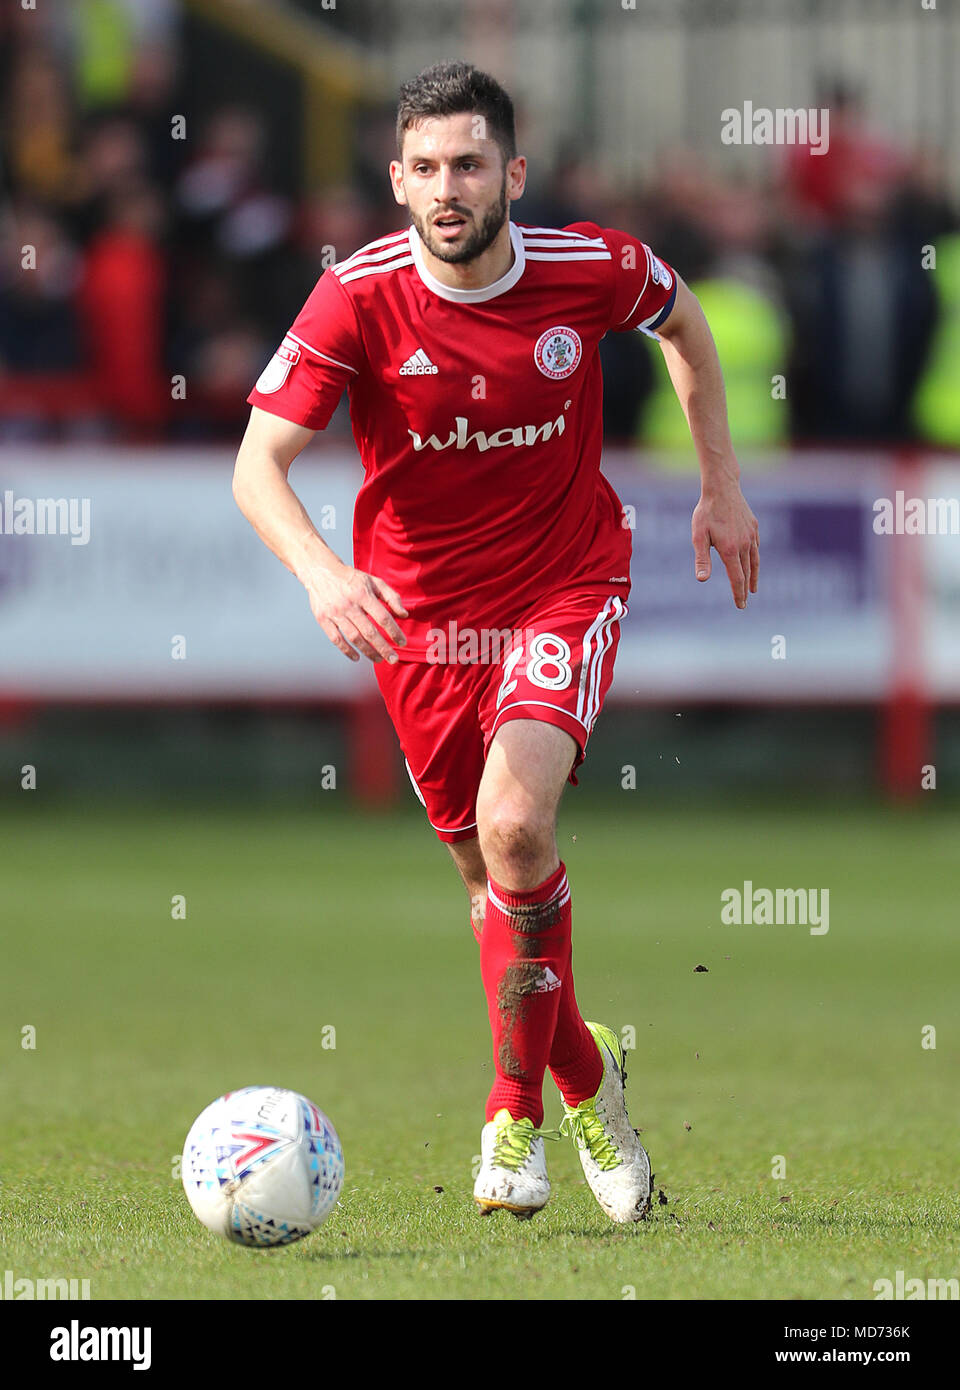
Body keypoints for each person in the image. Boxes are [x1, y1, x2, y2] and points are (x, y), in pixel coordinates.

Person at [233, 62, 759, 1223]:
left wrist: (721, 486)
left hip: (566, 582)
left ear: (513, 173)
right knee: (492, 886)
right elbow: (255, 464)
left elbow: (688, 324)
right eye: (423, 168)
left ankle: (508, 1110)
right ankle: (590, 1078)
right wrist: (326, 573)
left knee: (520, 829)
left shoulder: (589, 268)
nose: (447, 187)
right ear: (397, 181)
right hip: (422, 625)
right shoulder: (356, 299)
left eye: (469, 163)